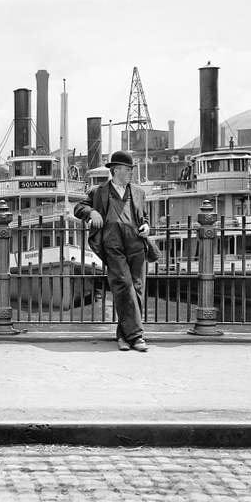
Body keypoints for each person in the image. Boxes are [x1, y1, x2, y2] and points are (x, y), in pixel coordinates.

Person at [73, 150, 151, 352]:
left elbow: (145, 218)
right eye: (127, 169)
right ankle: (137, 336)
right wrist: (93, 211)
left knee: (137, 288)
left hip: (136, 245)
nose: (130, 173)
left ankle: (124, 337)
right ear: (115, 170)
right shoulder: (99, 192)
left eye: (131, 169)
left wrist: (147, 227)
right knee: (123, 285)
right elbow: (79, 207)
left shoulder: (139, 192)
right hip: (113, 245)